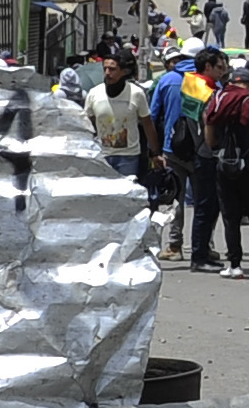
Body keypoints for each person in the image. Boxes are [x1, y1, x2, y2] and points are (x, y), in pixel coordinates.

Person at [204, 62, 249, 277]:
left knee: (230, 217)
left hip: (226, 165)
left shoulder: (219, 100)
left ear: (231, 82)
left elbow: (210, 129)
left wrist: (216, 149)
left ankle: (235, 265)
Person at [82, 50, 161, 192]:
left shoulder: (136, 94)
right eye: (105, 69)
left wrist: (155, 153)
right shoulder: (94, 94)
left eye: (112, 69)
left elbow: (148, 124)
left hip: (128, 157)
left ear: (123, 72)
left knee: (126, 196)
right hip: (102, 156)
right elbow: (87, 125)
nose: (107, 73)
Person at [184, 46, 230, 273]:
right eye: (219, 67)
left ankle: (203, 253)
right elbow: (207, 124)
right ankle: (199, 256)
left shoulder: (191, 84)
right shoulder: (208, 91)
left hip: (196, 150)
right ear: (208, 66)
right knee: (205, 207)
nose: (224, 71)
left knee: (208, 207)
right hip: (206, 153)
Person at [148, 43, 193, 259]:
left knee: (177, 198)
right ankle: (204, 246)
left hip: (171, 148)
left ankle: (175, 246)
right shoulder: (207, 82)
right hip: (203, 150)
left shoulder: (166, 81)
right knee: (205, 202)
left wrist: (153, 150)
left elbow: (153, 115)